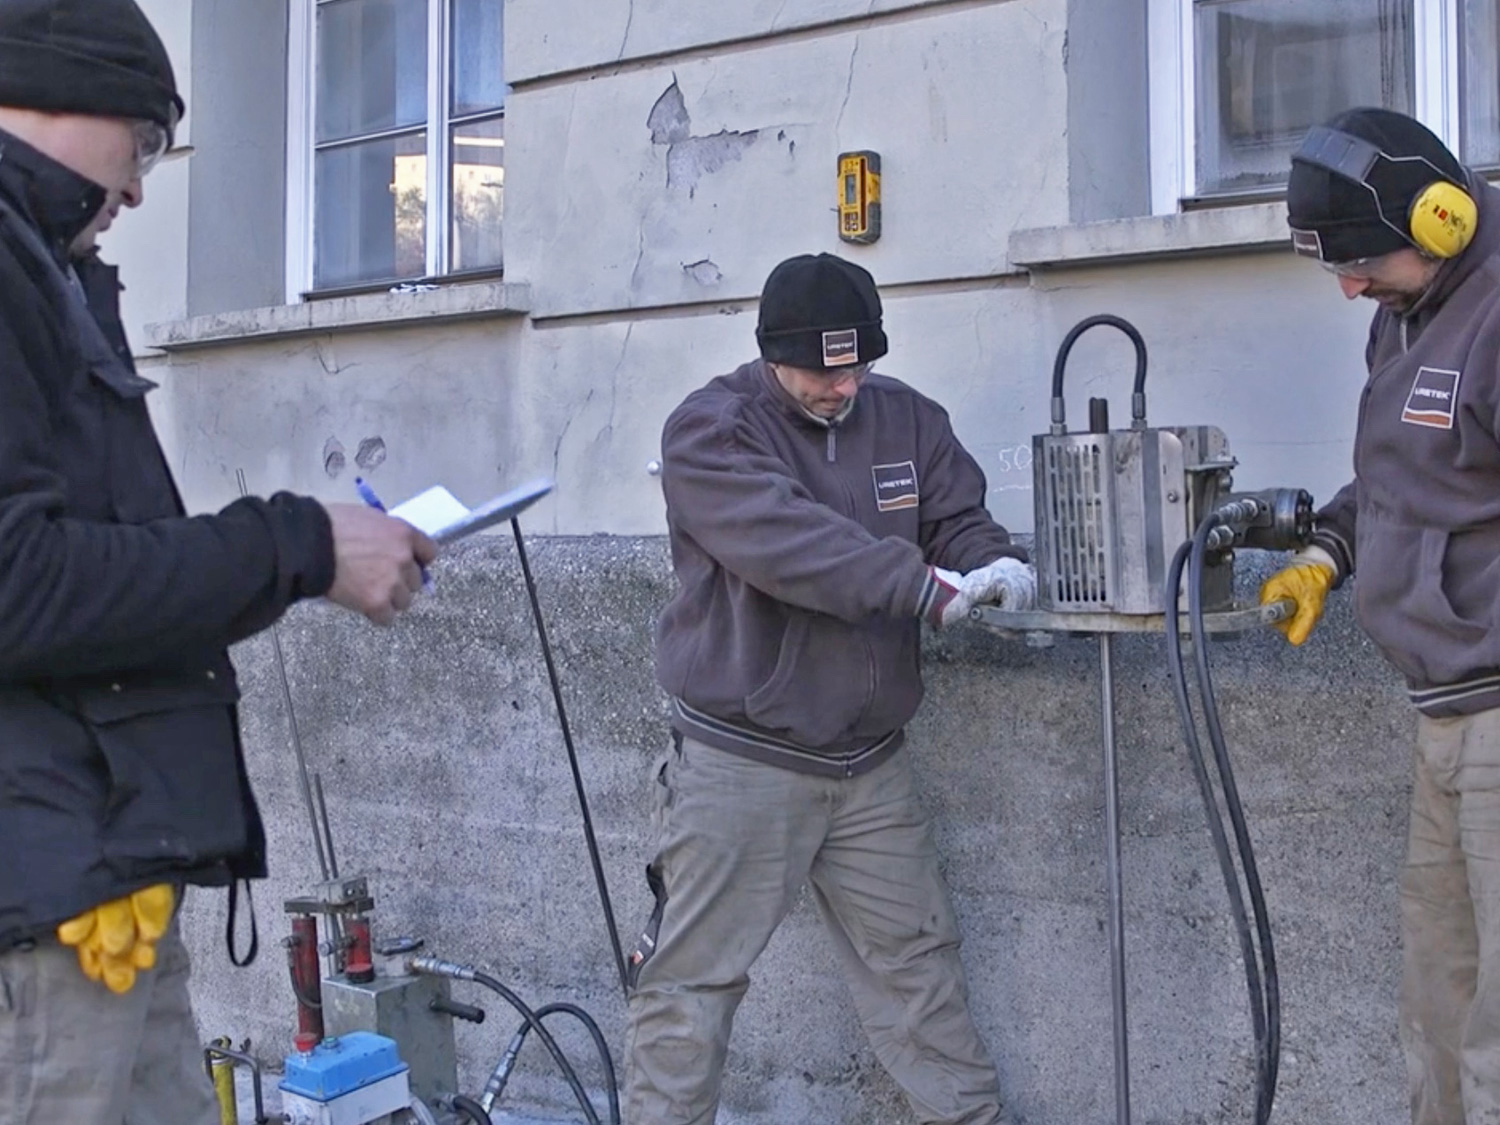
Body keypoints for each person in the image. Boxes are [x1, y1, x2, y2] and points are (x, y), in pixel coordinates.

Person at [0, 2, 437, 1122]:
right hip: (45, 913)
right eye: (140, 143)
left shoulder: (44, 269)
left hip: (97, 876)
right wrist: (298, 545)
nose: (142, 186)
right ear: (50, 91)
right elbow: (17, 583)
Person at [622, 251, 1034, 1124]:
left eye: (858, 364)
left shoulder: (908, 420)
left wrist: (992, 563)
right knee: (691, 990)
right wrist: (921, 587)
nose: (843, 385)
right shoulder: (710, 431)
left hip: (869, 766)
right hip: (743, 763)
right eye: (821, 368)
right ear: (773, 352)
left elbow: (954, 514)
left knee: (919, 970)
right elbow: (790, 543)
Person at [1266, 106, 1500, 1124]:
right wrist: (1331, 550)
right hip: (1442, 711)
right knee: (1438, 1001)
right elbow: (1404, 478)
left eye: (1360, 263)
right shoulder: (1407, 313)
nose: (1350, 286)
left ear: (1441, 218)